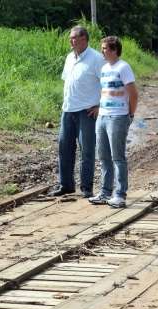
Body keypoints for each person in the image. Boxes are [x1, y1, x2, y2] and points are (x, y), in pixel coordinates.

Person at [49, 26, 105, 198]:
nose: (70, 41)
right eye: (70, 38)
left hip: (86, 112)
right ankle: (66, 185)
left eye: (74, 38)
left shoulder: (96, 58)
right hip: (68, 110)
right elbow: (68, 81)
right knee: (64, 148)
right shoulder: (69, 58)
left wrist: (99, 106)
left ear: (84, 39)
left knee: (87, 150)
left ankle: (86, 188)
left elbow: (108, 83)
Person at [89, 36, 138, 208]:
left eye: (105, 48)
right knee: (103, 156)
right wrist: (99, 109)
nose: (102, 51)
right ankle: (105, 192)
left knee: (118, 157)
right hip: (102, 116)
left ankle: (120, 194)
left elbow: (133, 93)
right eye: (102, 48)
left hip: (118, 116)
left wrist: (130, 114)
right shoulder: (104, 68)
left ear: (114, 50)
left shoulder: (123, 67)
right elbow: (104, 91)